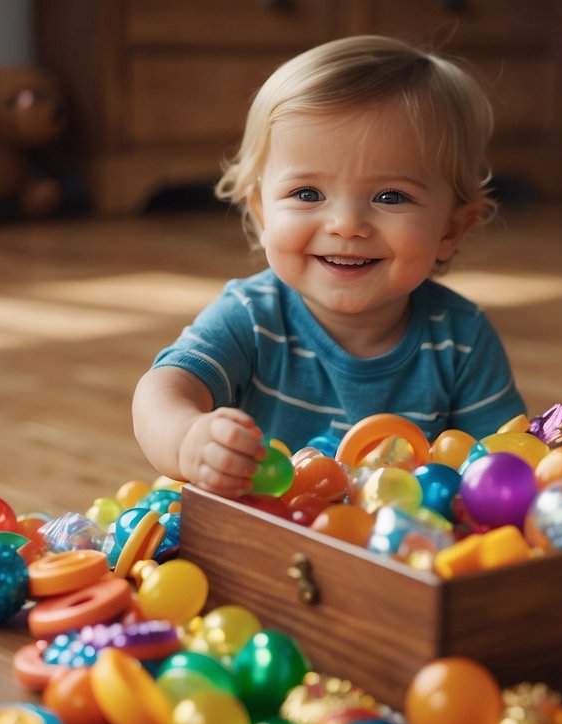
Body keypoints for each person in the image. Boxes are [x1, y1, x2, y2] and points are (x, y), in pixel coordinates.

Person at [132, 34, 527, 497]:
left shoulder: (461, 337)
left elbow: (504, 467)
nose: (346, 224)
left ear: (450, 229)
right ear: (261, 212)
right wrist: (188, 441)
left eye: (390, 196)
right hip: (263, 540)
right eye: (307, 194)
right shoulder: (251, 317)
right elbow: (162, 390)